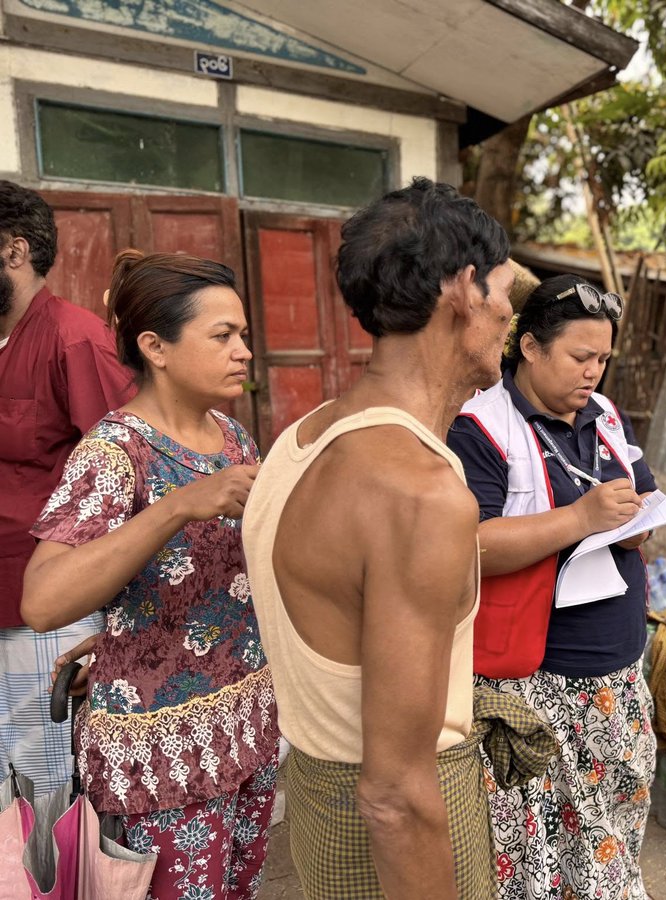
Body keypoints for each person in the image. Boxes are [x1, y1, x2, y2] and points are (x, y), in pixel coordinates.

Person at [241, 178, 515, 900]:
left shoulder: (304, 436)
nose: (511, 312)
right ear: (463, 289)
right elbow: (395, 793)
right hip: (398, 833)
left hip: (321, 803)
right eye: (504, 290)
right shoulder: (419, 493)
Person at [22, 250, 279, 899]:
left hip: (244, 723)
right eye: (223, 335)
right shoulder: (117, 451)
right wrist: (177, 507)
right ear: (155, 347)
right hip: (160, 756)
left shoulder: (232, 437)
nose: (244, 350)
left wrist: (124, 632)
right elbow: (43, 600)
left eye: (243, 334)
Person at [447, 273, 658, 900]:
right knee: (544, 849)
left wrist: (634, 524)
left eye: (603, 359)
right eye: (579, 356)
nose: (593, 372)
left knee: (615, 824)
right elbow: (468, 547)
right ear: (531, 346)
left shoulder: (604, 416)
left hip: (618, 670)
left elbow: (640, 496)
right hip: (540, 681)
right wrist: (580, 519)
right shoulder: (481, 428)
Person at [0, 180, 135, 794]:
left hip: (46, 613)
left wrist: (114, 626)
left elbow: (136, 472)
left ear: (14, 250)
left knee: (43, 783)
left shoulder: (73, 338)